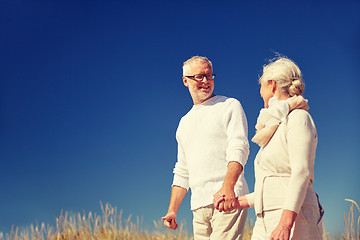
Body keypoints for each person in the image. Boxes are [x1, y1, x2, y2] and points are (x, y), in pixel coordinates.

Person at [214, 56, 325, 240]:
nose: (260, 92)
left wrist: (285, 223)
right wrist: (236, 202)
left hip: (295, 217)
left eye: (261, 86)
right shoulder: (274, 128)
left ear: (272, 85)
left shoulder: (298, 118)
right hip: (265, 219)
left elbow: (301, 173)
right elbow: (270, 188)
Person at [162, 56, 250, 240]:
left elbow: (239, 147)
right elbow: (182, 170)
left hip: (227, 199)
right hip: (199, 207)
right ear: (185, 80)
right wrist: (172, 211)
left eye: (209, 75)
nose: (206, 81)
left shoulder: (229, 105)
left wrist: (228, 187)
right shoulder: (184, 123)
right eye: (199, 76)